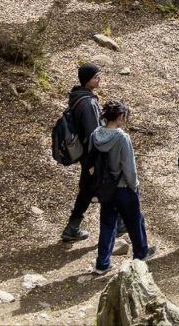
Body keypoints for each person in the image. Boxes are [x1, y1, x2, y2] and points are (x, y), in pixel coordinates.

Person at [91, 100, 154, 273]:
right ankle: (140, 255)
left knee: (107, 225)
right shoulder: (121, 137)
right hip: (123, 187)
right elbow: (129, 166)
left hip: (105, 187)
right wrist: (134, 185)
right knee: (135, 222)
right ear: (119, 116)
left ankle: (102, 263)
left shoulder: (96, 135)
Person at [61, 63, 103, 242]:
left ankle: (72, 227)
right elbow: (93, 132)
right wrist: (97, 156)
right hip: (91, 154)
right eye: (95, 77)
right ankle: (118, 223)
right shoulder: (87, 102)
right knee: (107, 186)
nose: (99, 79)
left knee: (88, 189)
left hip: (86, 154)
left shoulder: (79, 97)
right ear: (87, 80)